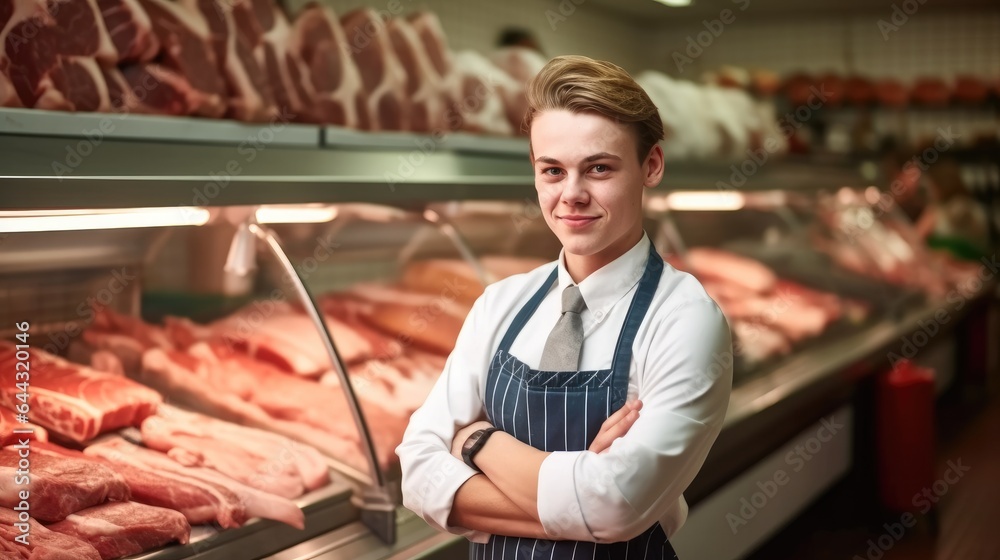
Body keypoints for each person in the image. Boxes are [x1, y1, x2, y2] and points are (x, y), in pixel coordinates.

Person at [397, 55, 733, 559]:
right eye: (552, 170)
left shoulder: (685, 321)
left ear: (652, 165)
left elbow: (614, 506)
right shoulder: (501, 304)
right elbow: (417, 473)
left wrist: (478, 442)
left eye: (599, 168)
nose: (571, 195)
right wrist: (577, 495)